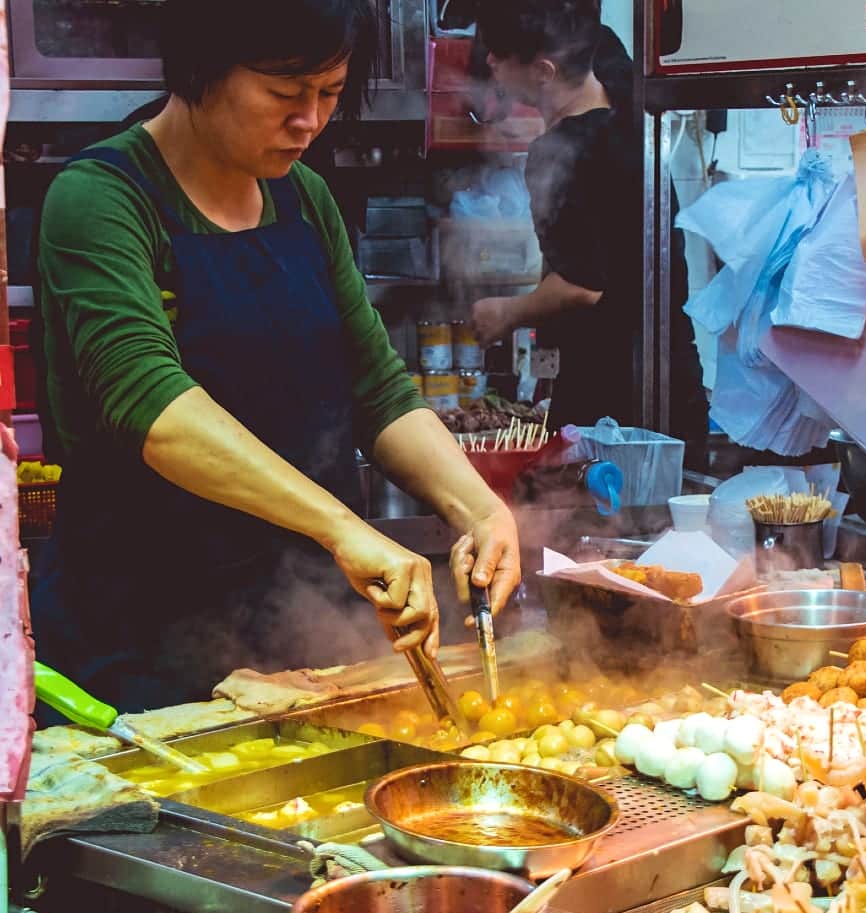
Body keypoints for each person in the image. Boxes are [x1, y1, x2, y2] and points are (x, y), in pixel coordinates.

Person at [31, 0, 521, 712]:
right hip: (142, 642)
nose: (311, 121)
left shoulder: (304, 200)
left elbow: (377, 389)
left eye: (330, 94)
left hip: (306, 628)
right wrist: (343, 528)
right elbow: (153, 408)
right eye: (286, 94)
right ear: (202, 67)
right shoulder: (101, 200)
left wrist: (481, 509)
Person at [468, 0, 709, 465]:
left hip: (606, 407)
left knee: (595, 534)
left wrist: (506, 312)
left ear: (543, 71)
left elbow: (582, 286)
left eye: (500, 54)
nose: (491, 62)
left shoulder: (558, 152)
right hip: (676, 386)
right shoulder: (629, 110)